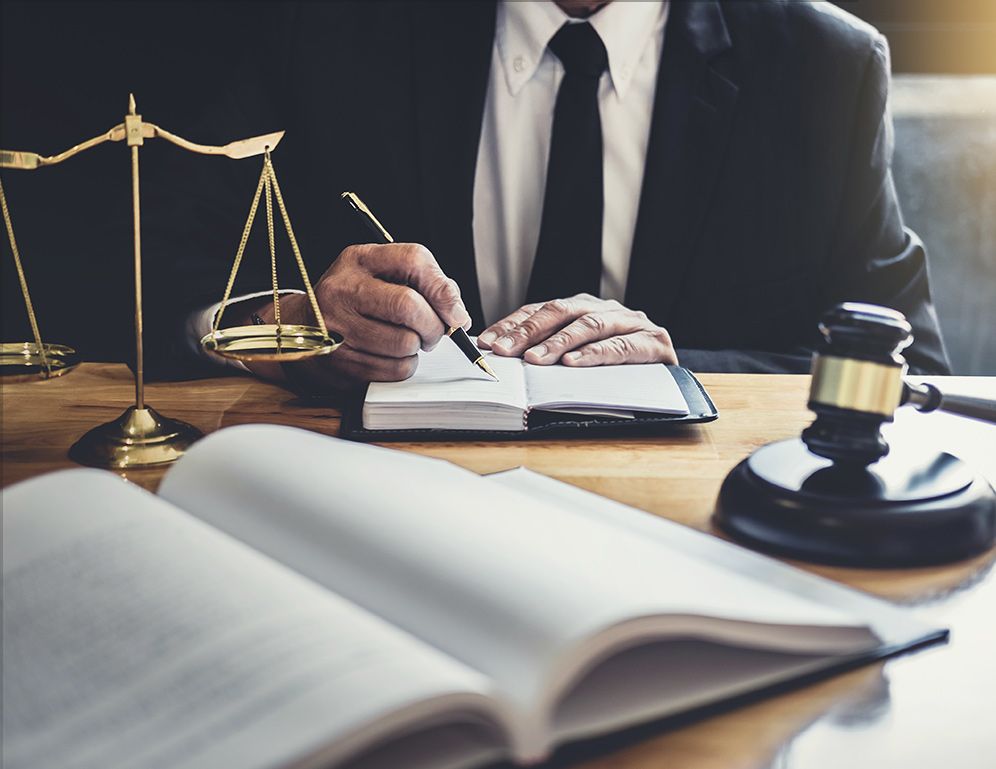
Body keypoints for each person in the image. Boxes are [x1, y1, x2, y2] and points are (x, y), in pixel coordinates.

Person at [157, 0, 950, 388]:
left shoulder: (825, 67)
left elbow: (916, 372)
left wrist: (679, 368)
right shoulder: (329, 28)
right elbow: (160, 274)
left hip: (691, 543)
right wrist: (287, 324)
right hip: (390, 529)